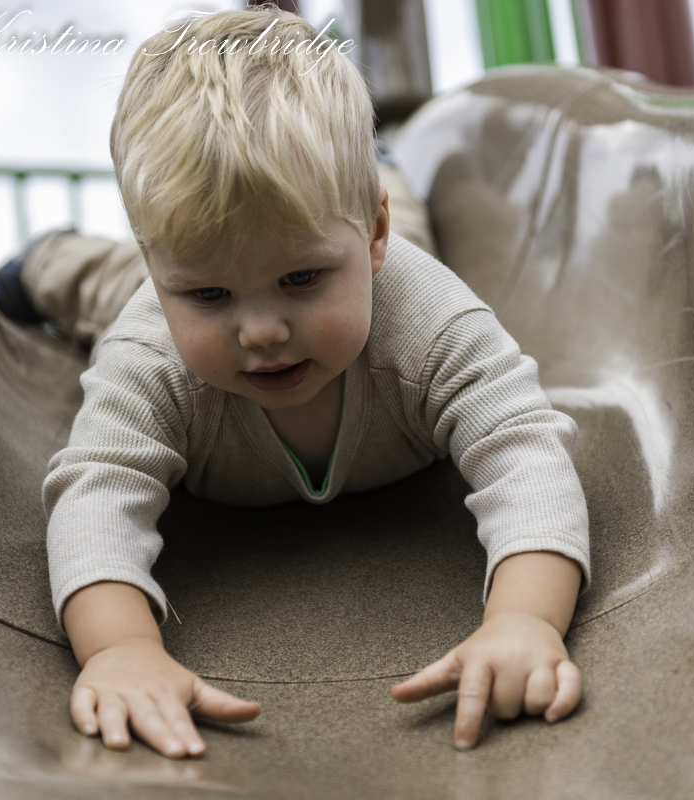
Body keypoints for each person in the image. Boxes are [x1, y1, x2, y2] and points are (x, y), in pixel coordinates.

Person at [37, 6, 590, 760]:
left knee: (399, 221)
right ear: (165, 278)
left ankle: (382, 165)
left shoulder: (430, 322)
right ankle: (48, 257)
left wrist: (525, 619)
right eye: (208, 295)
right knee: (102, 288)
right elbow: (95, 491)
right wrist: (118, 648)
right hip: (149, 284)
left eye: (301, 278)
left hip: (385, 247)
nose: (261, 331)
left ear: (370, 237)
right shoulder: (151, 348)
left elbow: (524, 451)